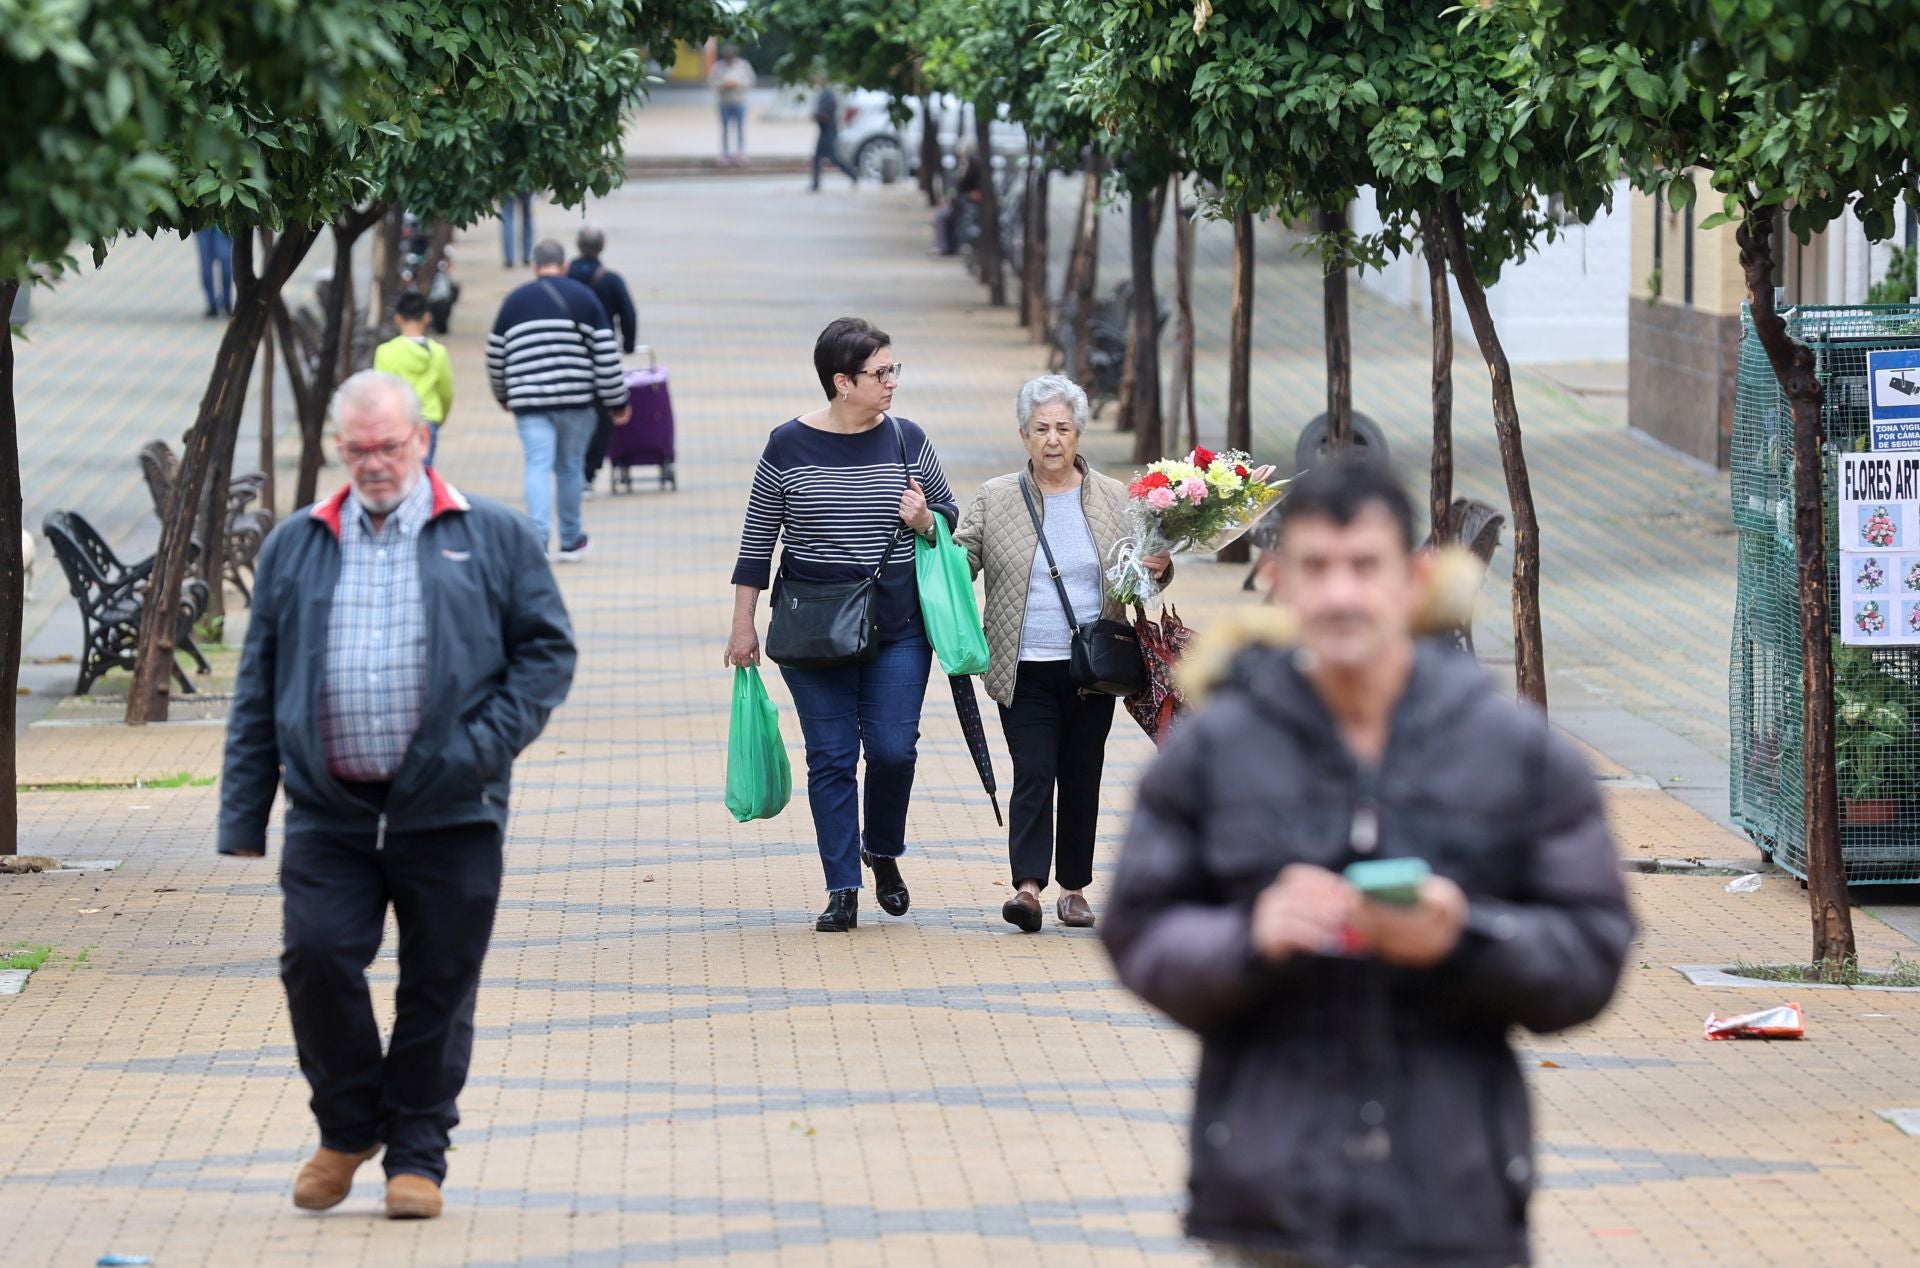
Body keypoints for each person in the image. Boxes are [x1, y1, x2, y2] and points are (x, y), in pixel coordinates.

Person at [1101, 453, 1633, 1267]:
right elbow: (1141, 930)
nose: (1342, 594)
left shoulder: (1511, 750)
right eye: (1317, 567)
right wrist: (1252, 936)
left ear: (1414, 579)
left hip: (1453, 1198)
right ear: (1278, 579)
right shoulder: (1217, 749)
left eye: (1365, 566)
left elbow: (1592, 948)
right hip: (1273, 1198)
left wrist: (1467, 935)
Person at [218, 370, 577, 1220]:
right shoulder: (297, 542)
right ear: (338, 450)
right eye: (357, 450)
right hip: (330, 810)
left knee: (438, 985)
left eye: (387, 445)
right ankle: (348, 1128)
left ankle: (417, 1154)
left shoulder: (489, 533)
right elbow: (259, 681)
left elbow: (546, 653)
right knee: (315, 958)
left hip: (451, 809)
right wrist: (243, 811)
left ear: (420, 439)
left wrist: (477, 751)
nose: (373, 462)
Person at [725, 318, 958, 933]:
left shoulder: (907, 438)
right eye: (880, 372)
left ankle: (881, 848)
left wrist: (926, 519)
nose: (892, 381)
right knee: (830, 757)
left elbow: (948, 513)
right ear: (842, 382)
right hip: (813, 628)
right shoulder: (787, 445)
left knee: (892, 750)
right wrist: (743, 625)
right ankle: (841, 887)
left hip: (898, 625)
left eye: (893, 369)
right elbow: (757, 540)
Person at [955, 375, 1169, 934]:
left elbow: (1138, 578)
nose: (1053, 439)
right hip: (1022, 664)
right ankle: (1027, 887)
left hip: (1092, 668)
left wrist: (1159, 569)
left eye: (1063, 428)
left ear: (1078, 434)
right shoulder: (996, 497)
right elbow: (959, 565)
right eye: (1042, 428)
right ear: (1023, 435)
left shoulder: (1116, 498)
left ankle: (1073, 888)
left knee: (1081, 774)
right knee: (1033, 770)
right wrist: (929, 532)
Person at [485, 238, 630, 559]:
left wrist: (502, 394)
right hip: (576, 401)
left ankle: (538, 539)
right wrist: (617, 401)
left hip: (529, 401)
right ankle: (570, 538)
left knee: (537, 465)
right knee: (569, 466)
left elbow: (495, 353)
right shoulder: (584, 298)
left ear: (534, 266)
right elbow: (606, 353)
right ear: (564, 266)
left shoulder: (514, 302)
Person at [568, 224, 640, 492]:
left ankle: (571, 469)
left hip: (567, 356)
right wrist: (628, 345)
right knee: (602, 417)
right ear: (602, 248)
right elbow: (628, 314)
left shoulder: (565, 277)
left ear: (578, 246)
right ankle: (588, 474)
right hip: (602, 358)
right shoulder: (610, 280)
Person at [373, 292, 455, 468]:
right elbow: (446, 393)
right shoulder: (438, 352)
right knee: (423, 474)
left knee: (396, 471)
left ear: (397, 318)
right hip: (428, 420)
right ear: (427, 317)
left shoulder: (385, 352)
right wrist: (440, 417)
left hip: (396, 421)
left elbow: (380, 394)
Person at [809, 74, 859, 191]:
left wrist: (818, 115)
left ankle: (853, 174)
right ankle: (816, 184)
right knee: (819, 158)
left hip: (828, 130)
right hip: (825, 130)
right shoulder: (823, 93)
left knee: (833, 158)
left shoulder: (828, 94)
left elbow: (829, 110)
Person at [714, 44, 755, 165]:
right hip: (724, 102)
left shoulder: (743, 65)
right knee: (725, 129)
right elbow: (713, 82)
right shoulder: (718, 66)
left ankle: (740, 153)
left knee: (740, 128)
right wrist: (723, 84)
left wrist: (737, 83)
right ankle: (725, 153)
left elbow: (750, 80)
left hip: (739, 101)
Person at [194, 228, 233, 317]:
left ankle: (226, 301)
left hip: (220, 225)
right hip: (201, 225)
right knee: (206, 263)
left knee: (225, 259)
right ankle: (211, 304)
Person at [500, 192, 534, 268]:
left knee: (507, 217)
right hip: (526, 187)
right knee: (527, 216)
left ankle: (509, 258)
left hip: (506, 187)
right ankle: (527, 256)